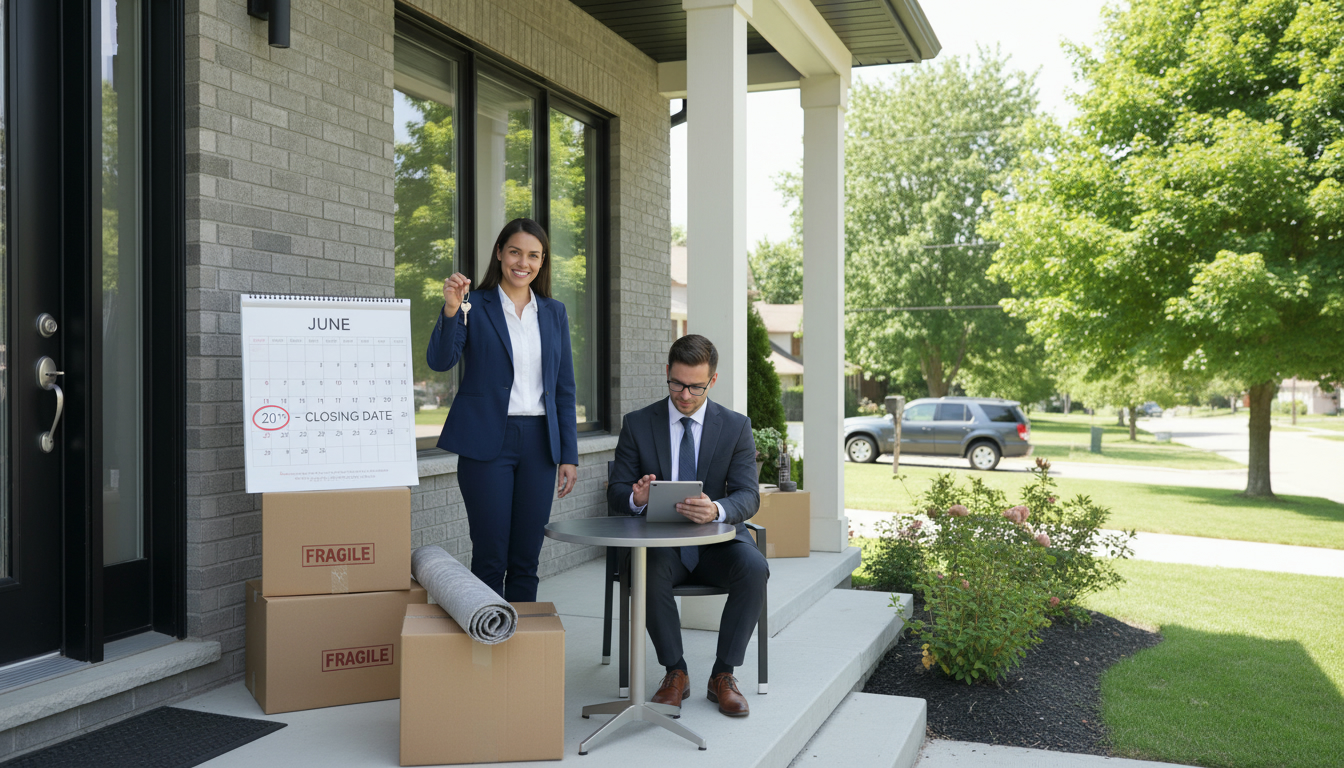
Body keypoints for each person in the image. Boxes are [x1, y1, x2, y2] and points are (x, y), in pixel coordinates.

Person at [606, 334, 765, 718]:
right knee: (648, 570)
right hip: (660, 545)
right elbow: (616, 491)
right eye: (677, 383)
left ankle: (722, 675)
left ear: (712, 381)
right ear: (667, 373)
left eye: (696, 386)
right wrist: (635, 498)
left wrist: (717, 509)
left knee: (755, 568)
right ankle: (675, 672)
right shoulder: (638, 424)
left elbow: (749, 495)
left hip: (717, 543)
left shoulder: (735, 426)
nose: (685, 394)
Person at [427, 218, 578, 602]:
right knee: (491, 556)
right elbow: (441, 361)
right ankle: (489, 647)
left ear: (542, 262)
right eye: (514, 251)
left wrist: (569, 455)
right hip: (486, 444)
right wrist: (450, 309)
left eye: (533, 255)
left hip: (540, 445)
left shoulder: (554, 312)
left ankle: (522, 651)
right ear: (499, 253)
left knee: (527, 558)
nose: (522, 262)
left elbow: (563, 388)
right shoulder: (472, 304)